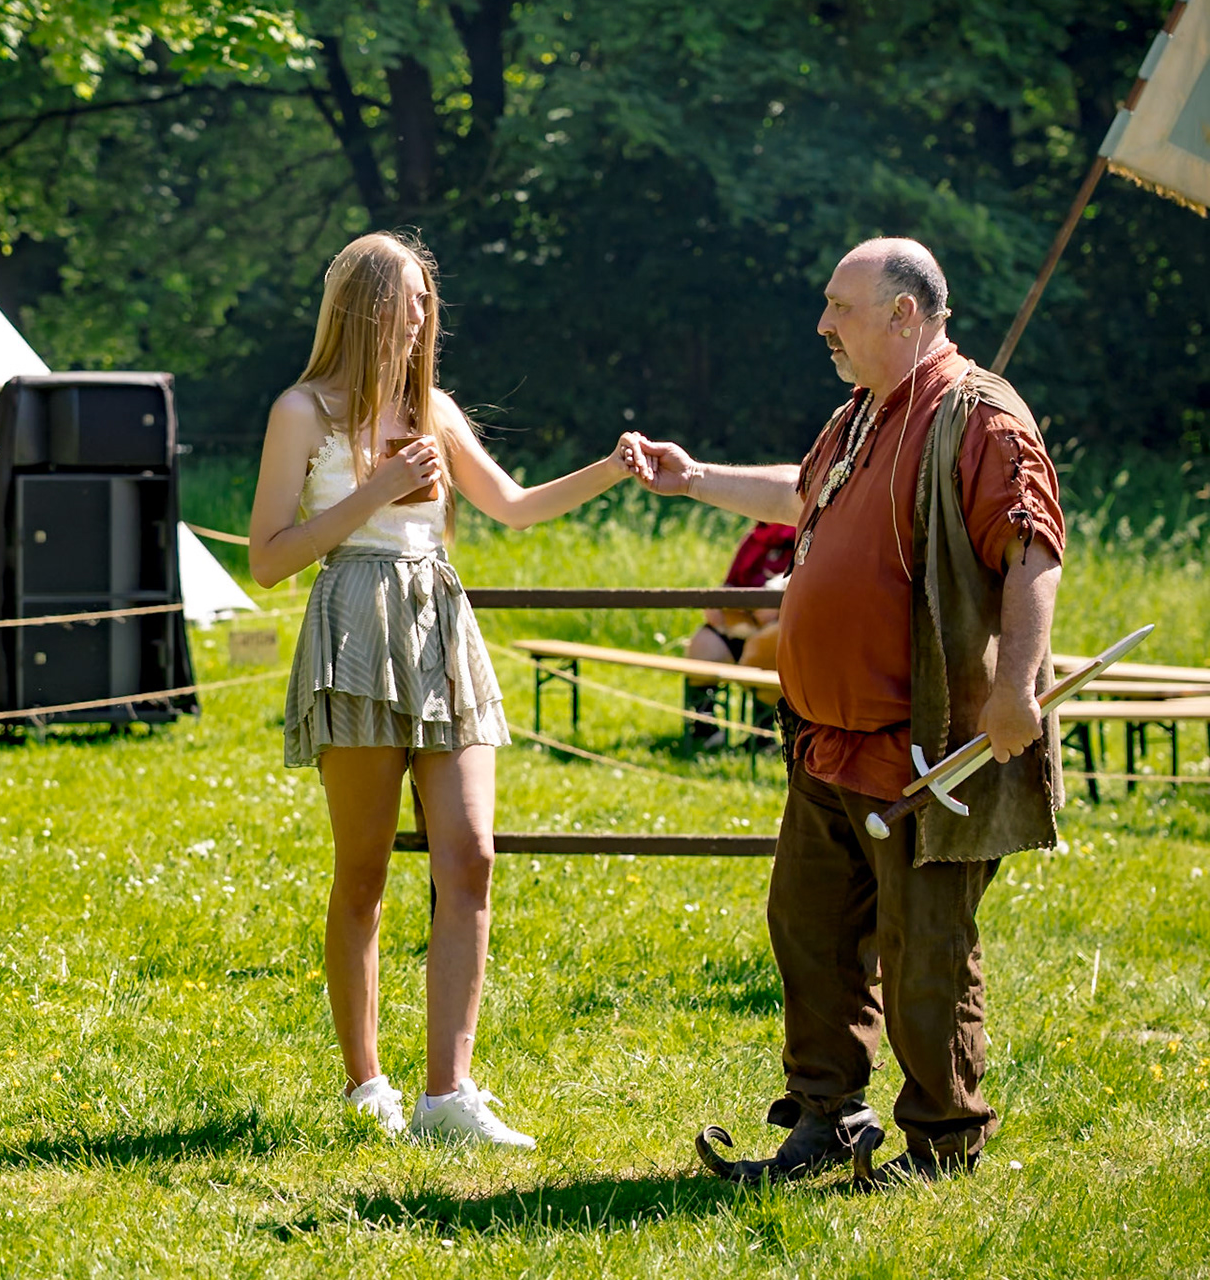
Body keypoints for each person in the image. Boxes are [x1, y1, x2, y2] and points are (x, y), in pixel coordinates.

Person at [629, 237, 1064, 1184]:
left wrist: (1016, 686)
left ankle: (944, 1143)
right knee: (811, 933)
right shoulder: (862, 414)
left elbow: (1032, 548)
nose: (824, 325)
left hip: (927, 752)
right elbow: (802, 493)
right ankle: (826, 1119)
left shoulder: (980, 420)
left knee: (925, 954)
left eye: (842, 308)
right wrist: (694, 477)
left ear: (905, 314)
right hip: (828, 748)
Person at [248, 232, 639, 1147]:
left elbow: (512, 505)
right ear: (363, 307)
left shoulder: (438, 410)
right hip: (353, 619)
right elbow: (269, 558)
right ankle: (367, 1082)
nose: (424, 319)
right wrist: (374, 491)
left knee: (471, 857)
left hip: (440, 624)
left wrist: (613, 467)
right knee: (365, 873)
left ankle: (447, 1096)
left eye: (429, 302)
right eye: (409, 302)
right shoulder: (303, 410)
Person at [682, 522, 795, 743]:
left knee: (767, 646)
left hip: (782, 629)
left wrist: (779, 595)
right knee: (703, 645)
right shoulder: (754, 539)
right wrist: (719, 600)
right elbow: (731, 583)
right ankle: (705, 725)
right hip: (739, 624)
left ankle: (762, 733)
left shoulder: (815, 533)